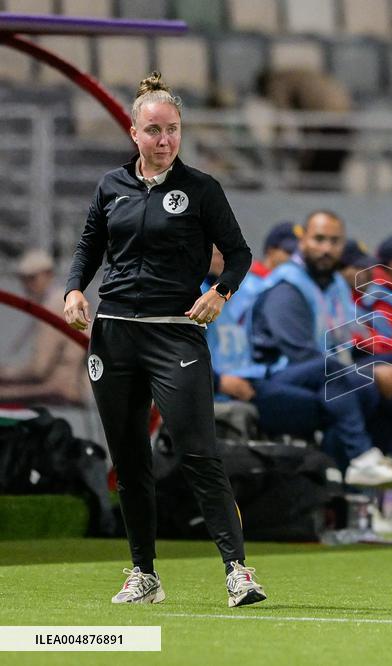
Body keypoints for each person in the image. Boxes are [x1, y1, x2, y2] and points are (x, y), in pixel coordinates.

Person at [62, 72, 266, 608]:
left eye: (172, 130)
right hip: (114, 338)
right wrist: (73, 292)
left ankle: (237, 571)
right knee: (129, 462)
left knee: (199, 452)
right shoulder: (110, 186)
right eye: (153, 130)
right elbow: (89, 248)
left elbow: (240, 253)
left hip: (175, 336)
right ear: (134, 133)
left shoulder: (201, 189)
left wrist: (221, 291)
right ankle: (143, 574)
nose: (164, 140)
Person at [249, 211, 392, 486]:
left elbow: (346, 342)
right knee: (338, 378)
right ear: (303, 240)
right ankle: (361, 458)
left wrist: (373, 369)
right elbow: (300, 355)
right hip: (271, 376)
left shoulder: (334, 285)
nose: (326, 248)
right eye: (319, 239)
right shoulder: (286, 287)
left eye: (334, 241)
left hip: (326, 374)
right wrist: (368, 373)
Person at [0, 250, 86, 405]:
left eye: (32, 278)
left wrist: (7, 372)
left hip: (61, 389)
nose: (27, 285)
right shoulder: (64, 299)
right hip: (69, 386)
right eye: (24, 279)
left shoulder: (53, 306)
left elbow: (39, 369)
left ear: (49, 275)